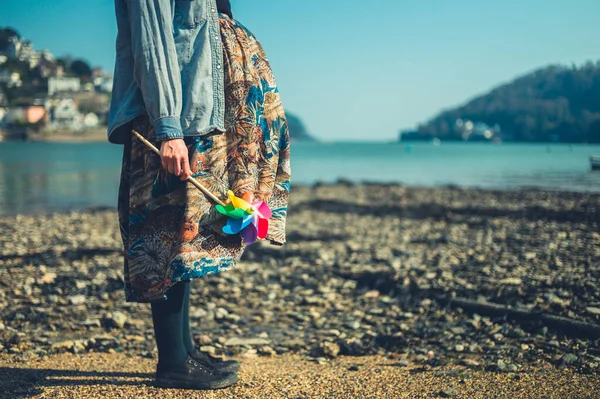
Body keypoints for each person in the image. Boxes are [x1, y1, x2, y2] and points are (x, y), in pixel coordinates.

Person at [107, 0, 291, 390]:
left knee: (186, 233)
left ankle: (184, 351)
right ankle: (172, 361)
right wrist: (169, 128)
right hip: (175, 118)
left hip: (196, 114)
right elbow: (153, 40)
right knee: (166, 230)